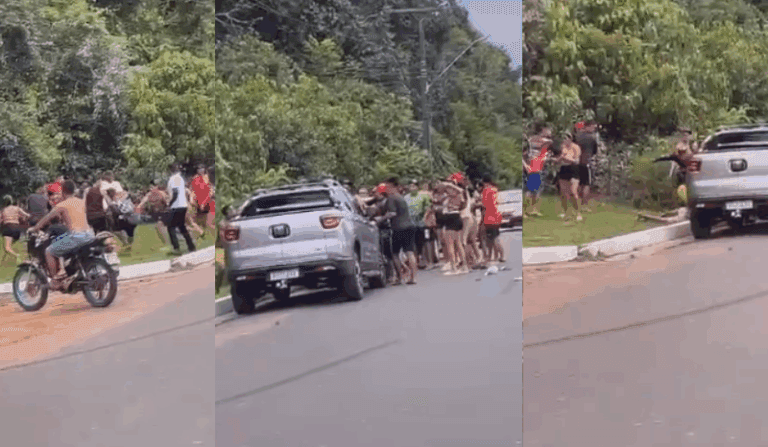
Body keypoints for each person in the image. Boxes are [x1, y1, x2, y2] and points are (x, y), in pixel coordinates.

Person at [30, 180, 95, 291]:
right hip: (90, 234)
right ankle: (67, 272)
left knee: (49, 251)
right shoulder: (81, 201)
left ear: (63, 191)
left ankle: (56, 280)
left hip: (76, 236)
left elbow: (47, 218)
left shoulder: (62, 205)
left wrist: (35, 228)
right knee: (60, 241)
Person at [375, 178, 418, 285]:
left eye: (387, 187)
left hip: (398, 227)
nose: (386, 189)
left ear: (392, 187)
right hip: (409, 226)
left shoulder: (391, 198)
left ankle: (399, 278)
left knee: (395, 253)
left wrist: (380, 220)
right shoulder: (400, 197)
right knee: (409, 252)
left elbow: (392, 213)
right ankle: (413, 277)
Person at [166, 163, 196, 254]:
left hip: (176, 206)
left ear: (170, 170)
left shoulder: (174, 179)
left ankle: (176, 248)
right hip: (183, 205)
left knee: (170, 227)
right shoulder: (180, 179)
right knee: (182, 227)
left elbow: (175, 193)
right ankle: (191, 246)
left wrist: (169, 204)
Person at [404, 180, 431, 269]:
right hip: (411, 223)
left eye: (414, 186)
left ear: (417, 187)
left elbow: (428, 207)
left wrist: (424, 217)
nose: (412, 188)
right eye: (411, 186)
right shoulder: (406, 197)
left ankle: (427, 261)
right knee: (414, 242)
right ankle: (416, 261)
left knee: (424, 241)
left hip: (421, 222)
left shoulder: (423, 196)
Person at [555, 133, 583, 222]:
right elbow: (558, 160)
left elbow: (575, 161)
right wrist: (559, 159)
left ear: (570, 139)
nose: (564, 140)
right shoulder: (562, 147)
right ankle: (566, 212)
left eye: (566, 138)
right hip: (564, 169)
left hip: (573, 169)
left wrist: (565, 158)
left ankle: (578, 212)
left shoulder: (576, 147)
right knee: (563, 193)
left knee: (573, 192)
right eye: (563, 138)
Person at [575, 120, 599, 211]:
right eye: (593, 127)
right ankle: (584, 204)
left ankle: (577, 203)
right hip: (586, 162)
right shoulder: (592, 138)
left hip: (577, 162)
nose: (593, 129)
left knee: (578, 183)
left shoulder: (578, 136)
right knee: (586, 184)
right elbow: (594, 150)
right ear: (588, 126)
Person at [481, 174, 505, 264]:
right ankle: (499, 255)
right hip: (496, 215)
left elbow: (484, 205)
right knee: (496, 235)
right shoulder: (495, 190)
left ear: (484, 182)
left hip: (489, 216)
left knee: (493, 238)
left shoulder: (486, 191)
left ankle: (500, 255)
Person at [1, 196, 30, 260]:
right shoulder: (17, 208)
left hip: (8, 227)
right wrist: (23, 218)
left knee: (7, 248)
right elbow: (27, 215)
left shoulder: (3, 210)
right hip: (17, 229)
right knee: (9, 245)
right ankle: (6, 258)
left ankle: (17, 256)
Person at [190, 164, 215, 236]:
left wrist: (204, 202)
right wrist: (191, 199)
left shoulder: (207, 177)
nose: (200, 170)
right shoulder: (194, 179)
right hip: (199, 203)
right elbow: (193, 191)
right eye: (199, 169)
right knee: (197, 222)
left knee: (209, 223)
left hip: (208, 203)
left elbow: (210, 191)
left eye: (202, 168)